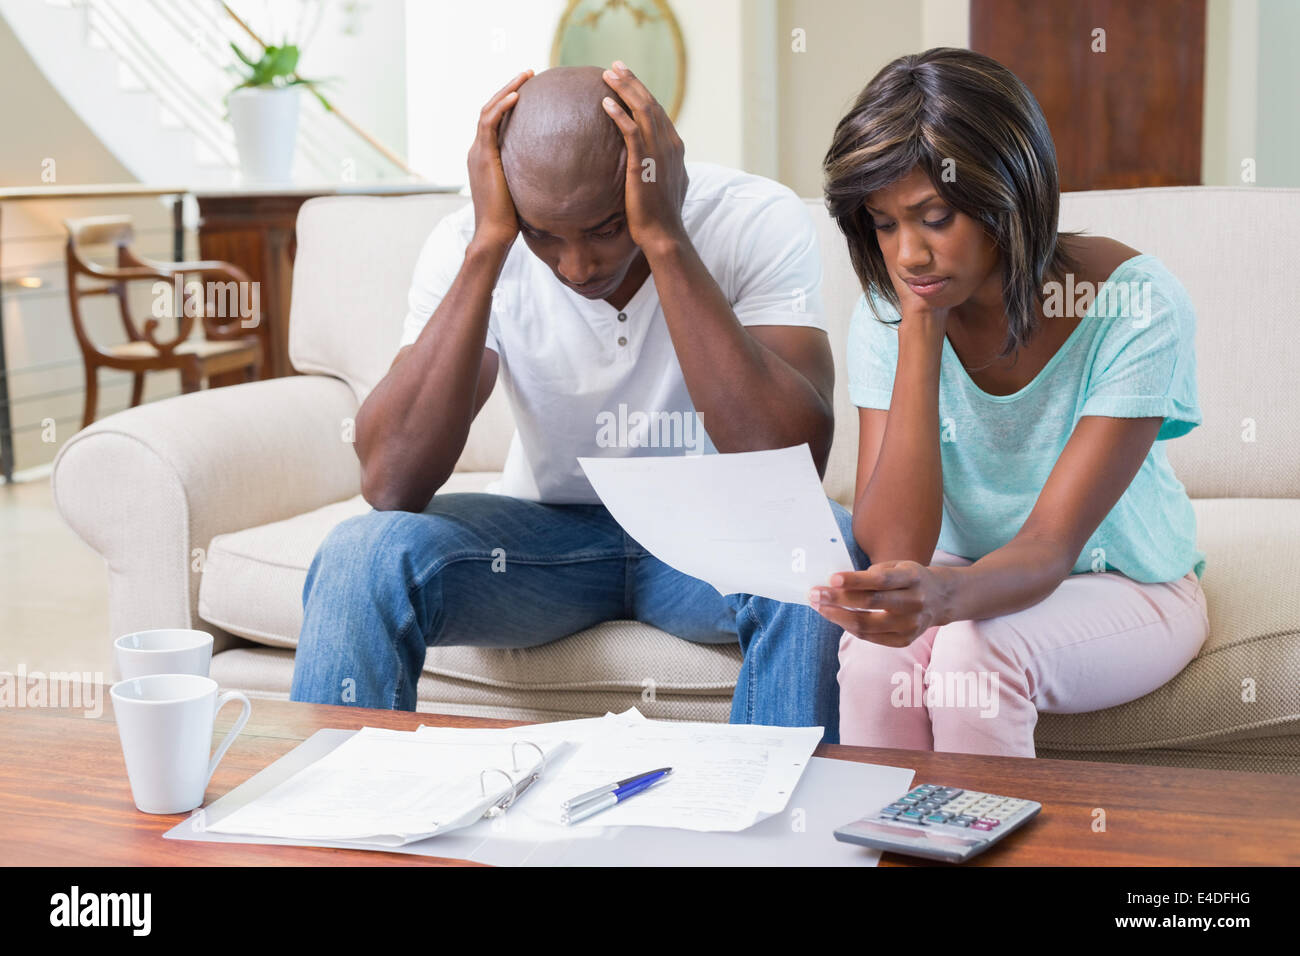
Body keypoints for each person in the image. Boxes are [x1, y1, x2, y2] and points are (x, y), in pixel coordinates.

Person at [289, 63, 865, 741]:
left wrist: (666, 239)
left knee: (820, 553)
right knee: (362, 551)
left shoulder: (751, 218)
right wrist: (490, 247)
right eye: (544, 235)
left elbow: (788, 467)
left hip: (708, 535)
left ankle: (771, 842)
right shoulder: (470, 243)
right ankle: (334, 827)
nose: (576, 267)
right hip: (546, 546)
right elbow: (390, 479)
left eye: (604, 228)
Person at [815, 48, 1210, 757]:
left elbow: (1049, 548)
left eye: (934, 216)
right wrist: (921, 333)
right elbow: (898, 547)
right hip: (956, 574)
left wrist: (941, 599)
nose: (907, 255)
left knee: (975, 658)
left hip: (1121, 583)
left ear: (1009, 195)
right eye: (883, 222)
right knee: (875, 661)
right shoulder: (893, 308)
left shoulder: (1135, 305)